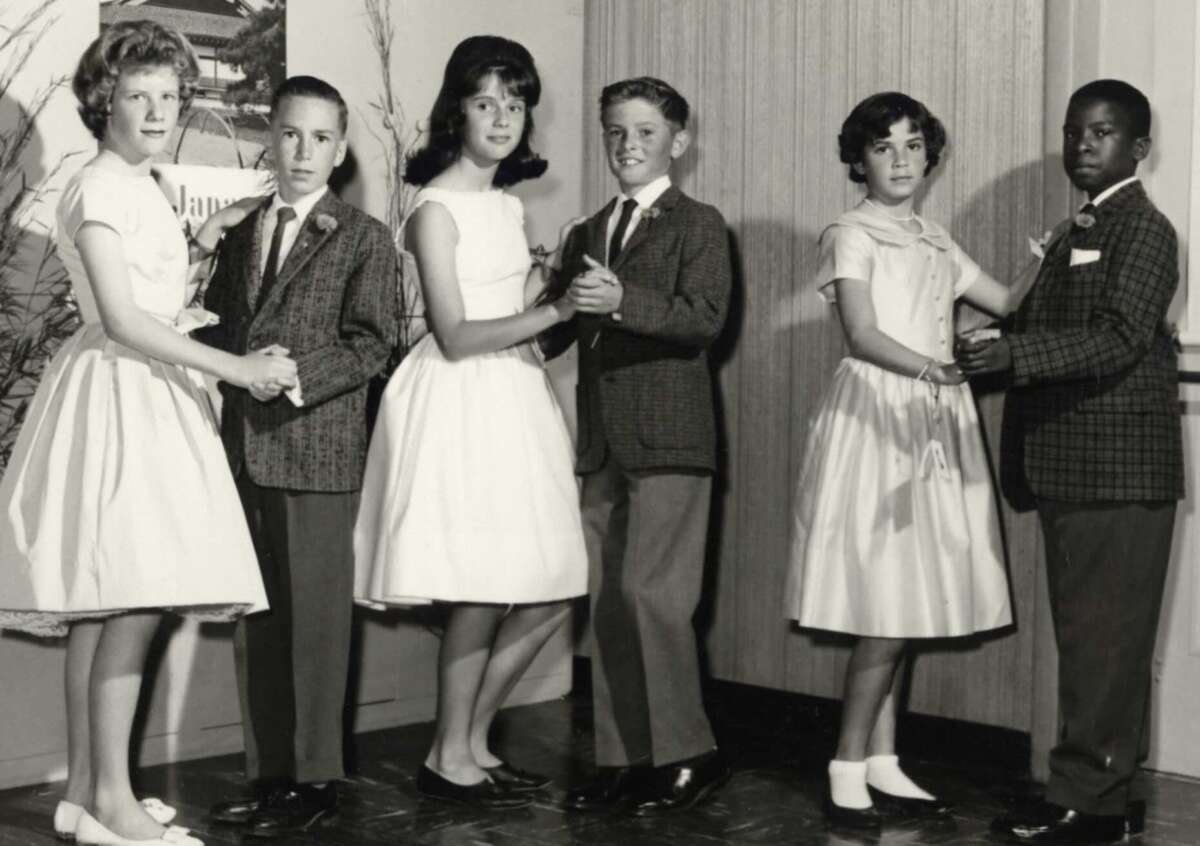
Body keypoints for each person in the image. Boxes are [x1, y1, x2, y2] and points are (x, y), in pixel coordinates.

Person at [0, 20, 285, 846]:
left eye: (169, 94)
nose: (158, 110)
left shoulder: (137, 184)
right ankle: (116, 806)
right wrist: (237, 369)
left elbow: (144, 299)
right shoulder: (101, 188)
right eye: (138, 95)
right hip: (122, 394)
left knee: (108, 603)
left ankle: (89, 794)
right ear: (104, 102)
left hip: (139, 389)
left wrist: (201, 245)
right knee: (133, 595)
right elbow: (123, 320)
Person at [785, 91, 1034, 829]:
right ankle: (845, 763)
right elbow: (861, 334)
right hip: (877, 419)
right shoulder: (850, 233)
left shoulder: (934, 236)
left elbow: (1006, 301)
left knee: (910, 596)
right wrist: (935, 369)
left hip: (934, 414)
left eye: (914, 146)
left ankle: (884, 762)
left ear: (931, 156)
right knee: (883, 606)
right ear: (858, 159)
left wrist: (1045, 260)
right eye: (884, 147)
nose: (901, 160)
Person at [352, 36, 586, 810]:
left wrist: (567, 304)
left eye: (515, 104)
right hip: (459, 400)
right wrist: (551, 307)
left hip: (514, 396)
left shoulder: (508, 205)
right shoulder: (435, 209)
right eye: (485, 103)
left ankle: (467, 743)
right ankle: (451, 754)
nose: (502, 118)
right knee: (481, 588)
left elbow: (525, 323)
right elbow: (452, 334)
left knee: (551, 587)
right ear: (457, 112)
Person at [962, 79, 1181, 845]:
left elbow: (1120, 337)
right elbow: (1044, 321)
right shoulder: (1076, 227)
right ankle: (1093, 795)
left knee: (1105, 645)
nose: (1082, 145)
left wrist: (1012, 352)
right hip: (1075, 468)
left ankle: (1090, 808)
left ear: (1139, 149)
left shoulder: (1145, 230)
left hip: (1117, 473)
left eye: (1103, 133)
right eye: (1073, 132)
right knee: (1092, 643)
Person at [199, 76, 399, 838]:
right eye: (290, 134)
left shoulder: (363, 237)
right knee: (258, 624)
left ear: (340, 149)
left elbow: (373, 342)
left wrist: (292, 378)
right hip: (243, 453)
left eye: (320, 138)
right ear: (270, 139)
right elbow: (220, 335)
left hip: (316, 450)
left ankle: (316, 779)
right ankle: (269, 773)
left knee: (316, 626)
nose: (303, 151)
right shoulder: (244, 233)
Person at [542, 77, 733, 816]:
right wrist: (536, 283)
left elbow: (706, 318)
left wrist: (625, 302)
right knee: (612, 606)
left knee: (656, 600)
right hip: (601, 443)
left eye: (646, 133)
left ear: (677, 143)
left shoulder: (700, 223)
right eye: (617, 132)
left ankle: (692, 753)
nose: (629, 146)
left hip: (671, 440)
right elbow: (557, 325)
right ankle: (628, 759)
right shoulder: (588, 229)